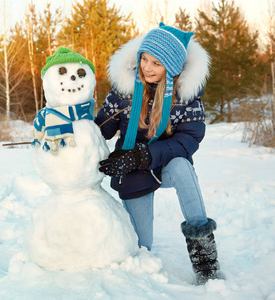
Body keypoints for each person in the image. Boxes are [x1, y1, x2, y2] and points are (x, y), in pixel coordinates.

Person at [95, 22, 222, 285]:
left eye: (157, 63)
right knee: (142, 247)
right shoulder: (124, 89)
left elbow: (189, 139)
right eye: (144, 59)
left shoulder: (186, 95)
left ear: (172, 69)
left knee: (182, 166)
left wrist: (146, 155)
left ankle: (205, 259)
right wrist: (69, 123)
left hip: (163, 162)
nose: (147, 68)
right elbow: (100, 130)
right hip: (132, 168)